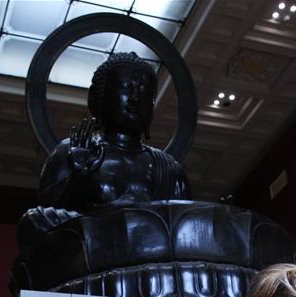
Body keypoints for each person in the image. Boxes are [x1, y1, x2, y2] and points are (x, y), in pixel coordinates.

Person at [37, 51, 191, 212]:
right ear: (97, 97)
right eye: (126, 88)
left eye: (143, 92)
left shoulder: (169, 169)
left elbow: (184, 223)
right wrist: (77, 180)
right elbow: (42, 220)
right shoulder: (72, 151)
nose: (135, 98)